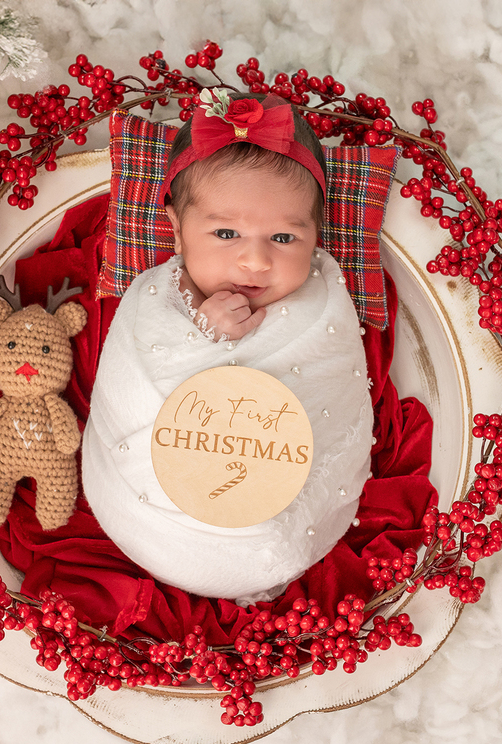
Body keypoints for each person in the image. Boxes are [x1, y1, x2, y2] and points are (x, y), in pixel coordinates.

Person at [82, 90, 374, 604]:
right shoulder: (159, 295)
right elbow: (142, 359)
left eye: (283, 239)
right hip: (155, 514)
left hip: (283, 501)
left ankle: (261, 540)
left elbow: (331, 376)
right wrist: (201, 332)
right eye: (225, 232)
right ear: (177, 230)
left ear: (315, 236)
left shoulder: (321, 300)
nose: (255, 261)